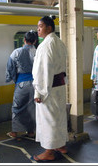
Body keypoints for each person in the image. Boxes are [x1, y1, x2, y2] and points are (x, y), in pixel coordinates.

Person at [31, 16, 68, 161]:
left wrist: (39, 91)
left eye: (40, 26)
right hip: (59, 86)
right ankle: (61, 145)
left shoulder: (46, 45)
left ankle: (49, 151)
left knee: (49, 119)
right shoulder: (58, 42)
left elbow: (43, 71)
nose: (38, 29)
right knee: (59, 117)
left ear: (49, 28)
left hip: (49, 88)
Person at [5, 30, 38, 138]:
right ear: (35, 41)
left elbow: (10, 68)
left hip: (21, 83)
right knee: (32, 107)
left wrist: (14, 79)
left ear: (24, 40)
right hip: (35, 84)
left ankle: (15, 132)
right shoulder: (37, 52)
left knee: (17, 107)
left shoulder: (16, 52)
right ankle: (31, 131)